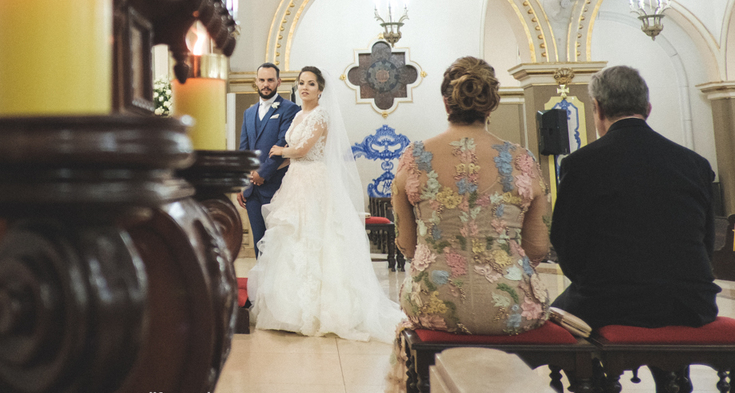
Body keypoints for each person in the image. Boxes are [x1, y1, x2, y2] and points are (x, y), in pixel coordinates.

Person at [552, 65, 718, 393]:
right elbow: (705, 241)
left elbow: (566, 245)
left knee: (557, 318)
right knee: (670, 340)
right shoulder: (694, 163)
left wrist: (593, 281)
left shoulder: (581, 164)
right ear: (648, 108)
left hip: (611, 298)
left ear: (596, 108)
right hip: (689, 299)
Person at [391, 57, 551, 334]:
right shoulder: (521, 159)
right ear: (492, 105)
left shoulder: (414, 157)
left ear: (445, 103)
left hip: (432, 302)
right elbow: (538, 248)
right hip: (514, 305)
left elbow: (406, 245)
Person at [248, 66, 404, 342]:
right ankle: (287, 309)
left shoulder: (321, 114)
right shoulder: (297, 115)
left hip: (314, 181)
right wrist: (278, 161)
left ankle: (323, 310)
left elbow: (302, 150)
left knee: (316, 237)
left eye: (310, 84)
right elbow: (292, 155)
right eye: (301, 83)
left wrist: (281, 151)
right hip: (295, 179)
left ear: (321, 90)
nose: (305, 87)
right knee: (291, 237)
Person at [236, 62, 299, 254]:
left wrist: (262, 174)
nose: (266, 84)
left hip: (276, 186)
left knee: (277, 242)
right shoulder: (249, 113)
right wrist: (242, 181)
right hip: (252, 191)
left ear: (279, 82)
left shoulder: (290, 109)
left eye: (270, 80)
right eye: (262, 80)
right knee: (258, 242)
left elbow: (283, 144)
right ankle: (261, 284)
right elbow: (244, 150)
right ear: (256, 82)